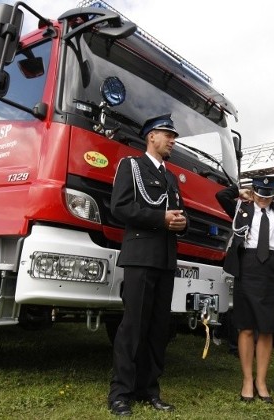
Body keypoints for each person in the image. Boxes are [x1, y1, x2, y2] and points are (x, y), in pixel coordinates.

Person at [107, 114, 187, 416]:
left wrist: (183, 224)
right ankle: (121, 393)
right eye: (168, 134)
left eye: (173, 136)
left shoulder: (170, 176)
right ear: (151, 136)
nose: (172, 141)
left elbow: (179, 213)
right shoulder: (132, 166)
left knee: (158, 329)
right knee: (133, 327)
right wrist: (160, 219)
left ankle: (149, 390)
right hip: (140, 257)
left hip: (166, 259)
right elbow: (120, 206)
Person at [216, 176, 274, 405]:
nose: (263, 199)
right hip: (247, 267)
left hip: (273, 269)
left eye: (268, 195)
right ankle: (247, 381)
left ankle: (261, 382)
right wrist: (241, 190)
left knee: (267, 328)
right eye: (260, 194)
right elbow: (221, 196)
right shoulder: (241, 208)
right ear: (254, 191)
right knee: (246, 327)